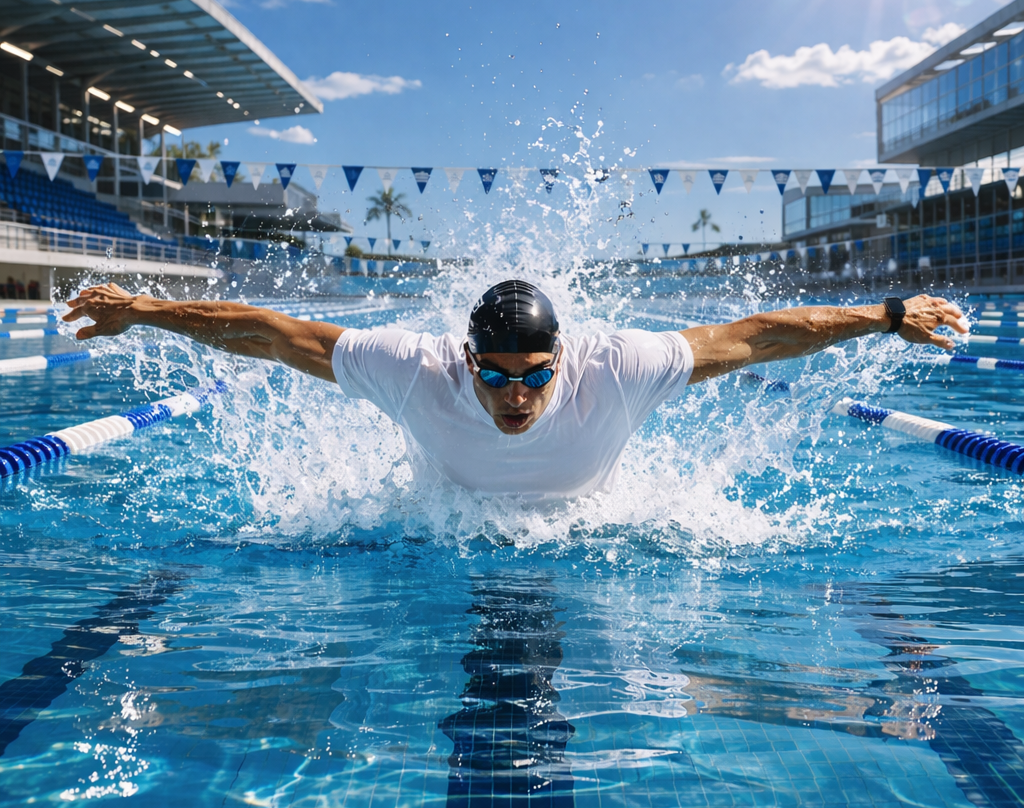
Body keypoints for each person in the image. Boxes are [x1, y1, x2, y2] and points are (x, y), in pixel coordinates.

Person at [64, 281, 968, 498]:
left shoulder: (619, 363)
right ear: (464, 360)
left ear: (562, 360)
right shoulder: (414, 364)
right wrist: (144, 309)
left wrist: (886, 314)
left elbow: (755, 336)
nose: (512, 396)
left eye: (532, 377)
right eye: (491, 375)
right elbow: (275, 334)